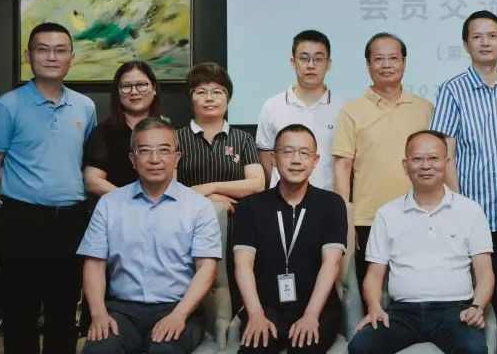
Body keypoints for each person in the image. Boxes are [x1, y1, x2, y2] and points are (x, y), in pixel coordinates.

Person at [77, 117, 222, 354]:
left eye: (163, 150)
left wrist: (179, 315)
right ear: (132, 159)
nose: (155, 159)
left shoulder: (197, 206)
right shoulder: (110, 204)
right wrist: (98, 313)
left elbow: (206, 269)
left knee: (165, 353)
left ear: (177, 157)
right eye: (145, 151)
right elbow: (94, 264)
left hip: (179, 308)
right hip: (123, 310)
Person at [348, 130, 493, 354]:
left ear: (446, 162)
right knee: (362, 347)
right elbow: (373, 276)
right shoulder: (388, 213)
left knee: (474, 350)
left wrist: (477, 305)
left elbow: (486, 274)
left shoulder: (469, 211)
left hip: (454, 309)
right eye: (417, 159)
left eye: (433, 158)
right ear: (405, 165)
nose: (425, 165)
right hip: (403, 311)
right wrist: (374, 306)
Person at [0, 22, 97, 354]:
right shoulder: (7, 106)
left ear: (71, 58)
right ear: (28, 56)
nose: (51, 56)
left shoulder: (84, 107)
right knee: (22, 315)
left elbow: (82, 162)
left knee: (64, 315)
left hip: (72, 221)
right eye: (42, 49)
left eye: (60, 49)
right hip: (23, 222)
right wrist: (24, 197)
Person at [232, 124, 347, 354]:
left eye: (304, 153)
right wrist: (254, 313)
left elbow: (331, 264)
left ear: (315, 160)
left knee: (308, 350)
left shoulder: (331, 205)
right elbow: (242, 264)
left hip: (317, 305)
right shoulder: (251, 207)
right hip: (265, 305)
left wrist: (311, 315)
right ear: (273, 158)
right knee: (252, 353)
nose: (296, 159)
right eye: (288, 151)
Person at [431, 11, 497, 314]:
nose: (485, 42)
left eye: (492, 36)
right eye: (477, 37)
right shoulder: (452, 90)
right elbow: (445, 153)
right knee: (475, 293)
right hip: (472, 211)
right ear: (466, 45)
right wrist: (457, 204)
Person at [331, 32, 434, 290]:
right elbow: (342, 168)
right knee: (372, 293)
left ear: (404, 62)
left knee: (417, 289)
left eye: (393, 58)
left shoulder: (425, 108)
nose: (386, 65)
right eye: (378, 59)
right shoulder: (351, 111)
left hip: (420, 214)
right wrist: (346, 220)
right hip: (368, 219)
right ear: (368, 65)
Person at [256, 30, 344, 189]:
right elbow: (266, 158)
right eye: (304, 58)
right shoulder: (272, 106)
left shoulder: (343, 108)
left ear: (328, 63)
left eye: (318, 59)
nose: (311, 65)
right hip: (282, 198)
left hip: (328, 197)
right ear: (293, 62)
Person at [176, 62, 264, 213]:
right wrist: (208, 199)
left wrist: (212, 188)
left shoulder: (243, 139)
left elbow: (257, 184)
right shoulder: (176, 138)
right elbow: (168, 188)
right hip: (187, 217)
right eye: (201, 92)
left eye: (217, 92)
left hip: (235, 218)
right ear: (191, 99)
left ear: (227, 98)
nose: (209, 98)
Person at [84, 60, 164, 196]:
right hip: (118, 206)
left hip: (163, 206)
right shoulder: (103, 132)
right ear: (118, 92)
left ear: (154, 88)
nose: (134, 92)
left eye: (141, 85)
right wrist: (129, 201)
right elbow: (92, 181)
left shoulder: (168, 130)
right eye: (126, 86)